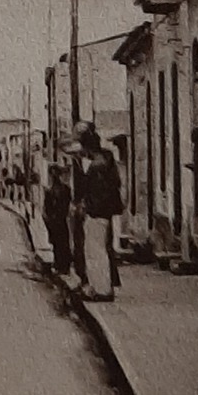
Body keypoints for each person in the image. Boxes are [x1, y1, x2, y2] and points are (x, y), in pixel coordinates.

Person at [71, 123, 124, 301]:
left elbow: (98, 191)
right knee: (98, 249)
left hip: (97, 212)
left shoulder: (97, 165)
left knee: (96, 250)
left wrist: (87, 207)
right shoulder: (106, 158)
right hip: (103, 211)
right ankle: (98, 287)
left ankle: (102, 290)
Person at [43, 163, 73, 276]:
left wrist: (48, 219)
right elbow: (67, 204)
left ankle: (59, 265)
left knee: (57, 243)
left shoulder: (50, 191)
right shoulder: (66, 189)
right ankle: (64, 266)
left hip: (54, 220)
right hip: (62, 219)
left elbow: (47, 209)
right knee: (63, 242)